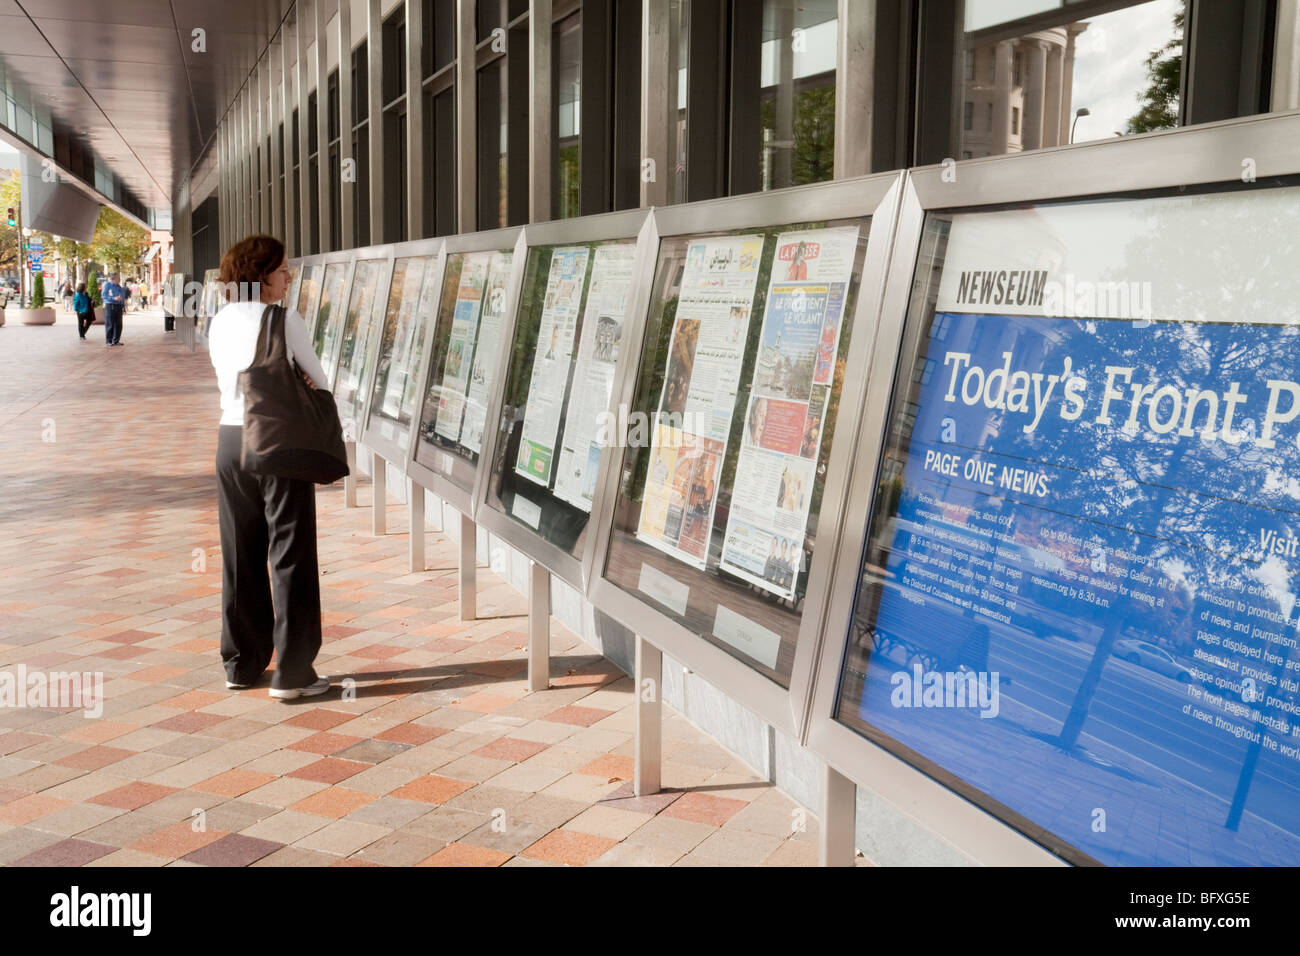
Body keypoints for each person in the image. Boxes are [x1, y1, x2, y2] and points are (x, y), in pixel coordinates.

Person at [209, 234, 331, 700]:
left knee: (239, 553)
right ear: (261, 275)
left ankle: (241, 663)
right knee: (290, 551)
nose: (288, 277)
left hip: (231, 440)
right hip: (278, 441)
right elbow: (320, 383)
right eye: (282, 269)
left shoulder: (219, 319)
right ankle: (294, 672)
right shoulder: (285, 319)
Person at [101, 273, 126, 346]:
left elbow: (122, 298)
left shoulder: (119, 287)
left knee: (119, 325)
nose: (119, 279)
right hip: (110, 306)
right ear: (113, 278)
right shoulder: (107, 285)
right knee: (110, 324)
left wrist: (123, 307)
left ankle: (116, 340)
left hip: (118, 306)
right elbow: (104, 296)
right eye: (118, 278)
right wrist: (113, 298)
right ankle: (109, 340)